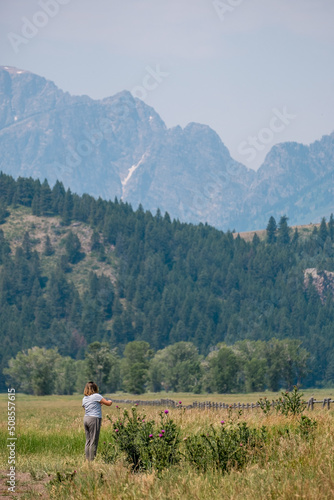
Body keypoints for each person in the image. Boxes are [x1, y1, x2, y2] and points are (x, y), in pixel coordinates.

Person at [82, 381, 112, 461]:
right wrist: (110, 401)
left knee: (88, 440)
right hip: (94, 418)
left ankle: (87, 459)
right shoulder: (96, 396)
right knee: (93, 441)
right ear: (95, 388)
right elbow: (108, 403)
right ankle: (92, 461)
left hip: (86, 418)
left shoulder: (84, 398)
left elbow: (85, 408)